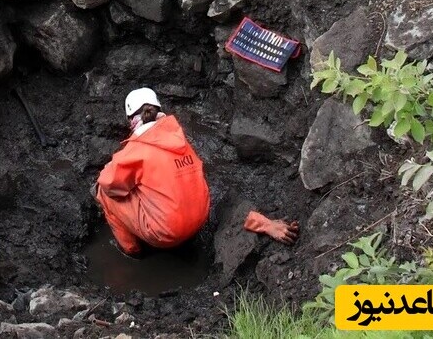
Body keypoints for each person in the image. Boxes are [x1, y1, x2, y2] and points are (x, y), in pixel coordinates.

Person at [92, 88, 299, 257]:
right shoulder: (178, 138)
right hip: (200, 217)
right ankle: (261, 223)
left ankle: (132, 251)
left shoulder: (134, 152)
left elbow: (109, 184)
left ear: (131, 118)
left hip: (166, 233)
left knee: (102, 192)